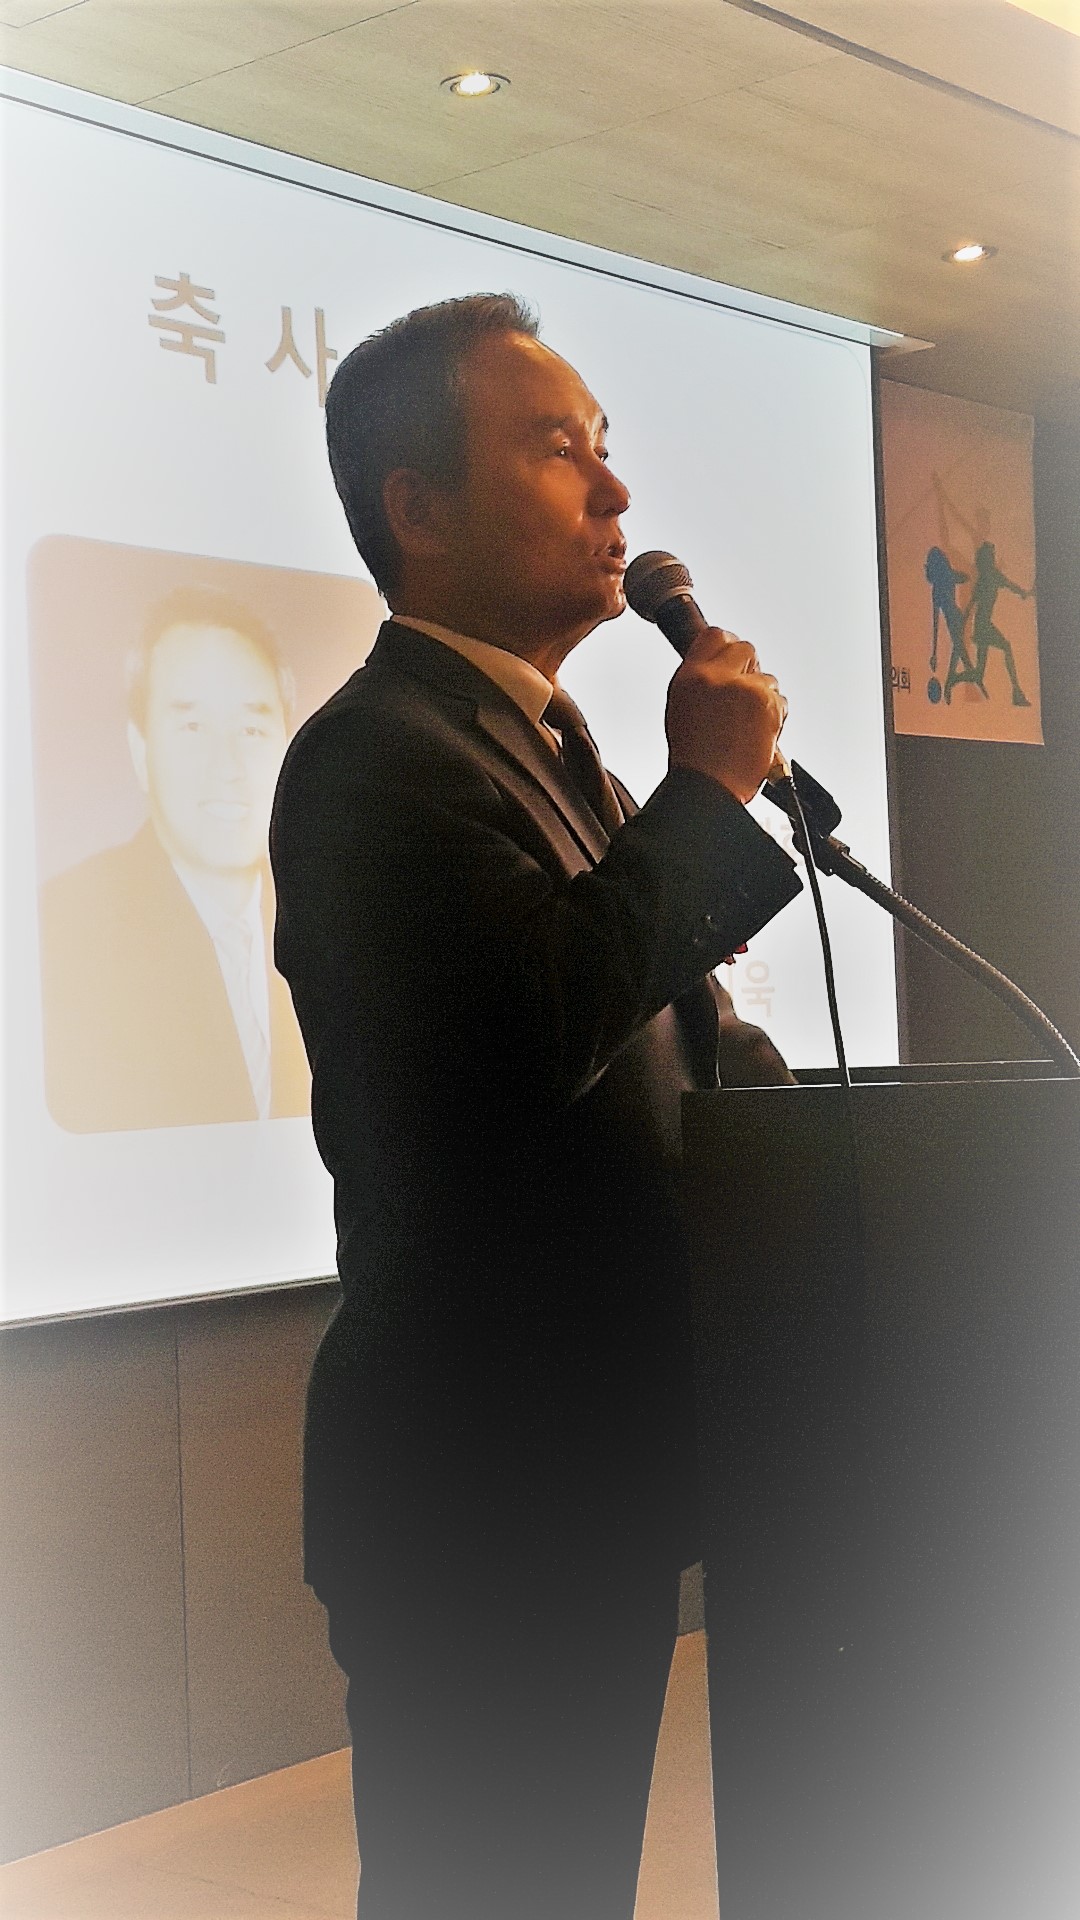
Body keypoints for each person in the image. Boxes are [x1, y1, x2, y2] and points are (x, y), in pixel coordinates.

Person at [270, 293, 802, 1919]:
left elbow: (689, 1045)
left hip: (582, 1472)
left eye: (606, 445)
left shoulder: (558, 753)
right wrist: (707, 796)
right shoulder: (373, 759)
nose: (615, 491)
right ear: (418, 509)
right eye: (557, 447)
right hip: (478, 1491)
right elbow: (527, 1030)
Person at [39, 587, 310, 1131]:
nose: (228, 767)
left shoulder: (332, 913)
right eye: (192, 727)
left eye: (251, 730)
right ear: (141, 753)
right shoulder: (60, 926)